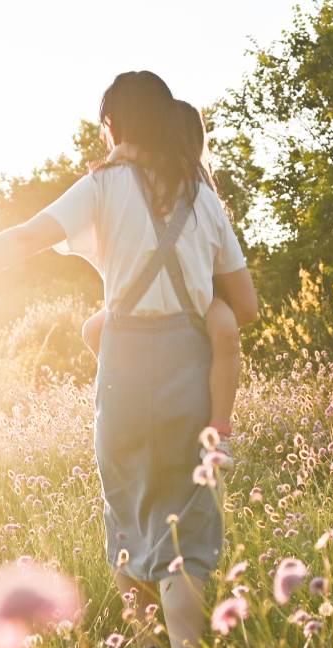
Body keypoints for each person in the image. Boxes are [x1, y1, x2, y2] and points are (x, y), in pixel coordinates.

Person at [0, 71, 258, 648]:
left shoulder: (102, 186)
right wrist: (209, 307)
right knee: (186, 532)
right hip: (186, 368)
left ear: (112, 125)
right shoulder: (204, 198)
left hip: (121, 367)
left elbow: (25, 238)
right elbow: (247, 307)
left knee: (128, 515)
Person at [79, 99, 244, 454]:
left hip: (205, 293)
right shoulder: (143, 186)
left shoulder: (199, 188)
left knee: (226, 332)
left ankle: (219, 430)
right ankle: (131, 390)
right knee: (93, 329)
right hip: (156, 292)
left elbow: (239, 297)